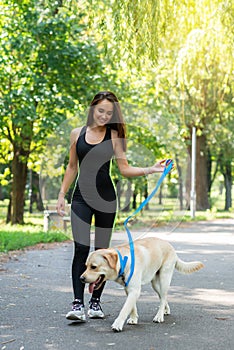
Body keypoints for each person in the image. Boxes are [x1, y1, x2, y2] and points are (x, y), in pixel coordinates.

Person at [56, 91, 166, 322]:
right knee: (81, 250)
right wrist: (61, 194)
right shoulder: (77, 134)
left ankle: (95, 303)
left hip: (106, 200)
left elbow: (124, 169)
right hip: (80, 199)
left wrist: (151, 169)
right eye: (100, 111)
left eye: (109, 112)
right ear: (92, 109)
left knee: (104, 253)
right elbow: (72, 167)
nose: (104, 115)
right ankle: (78, 304)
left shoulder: (114, 136)